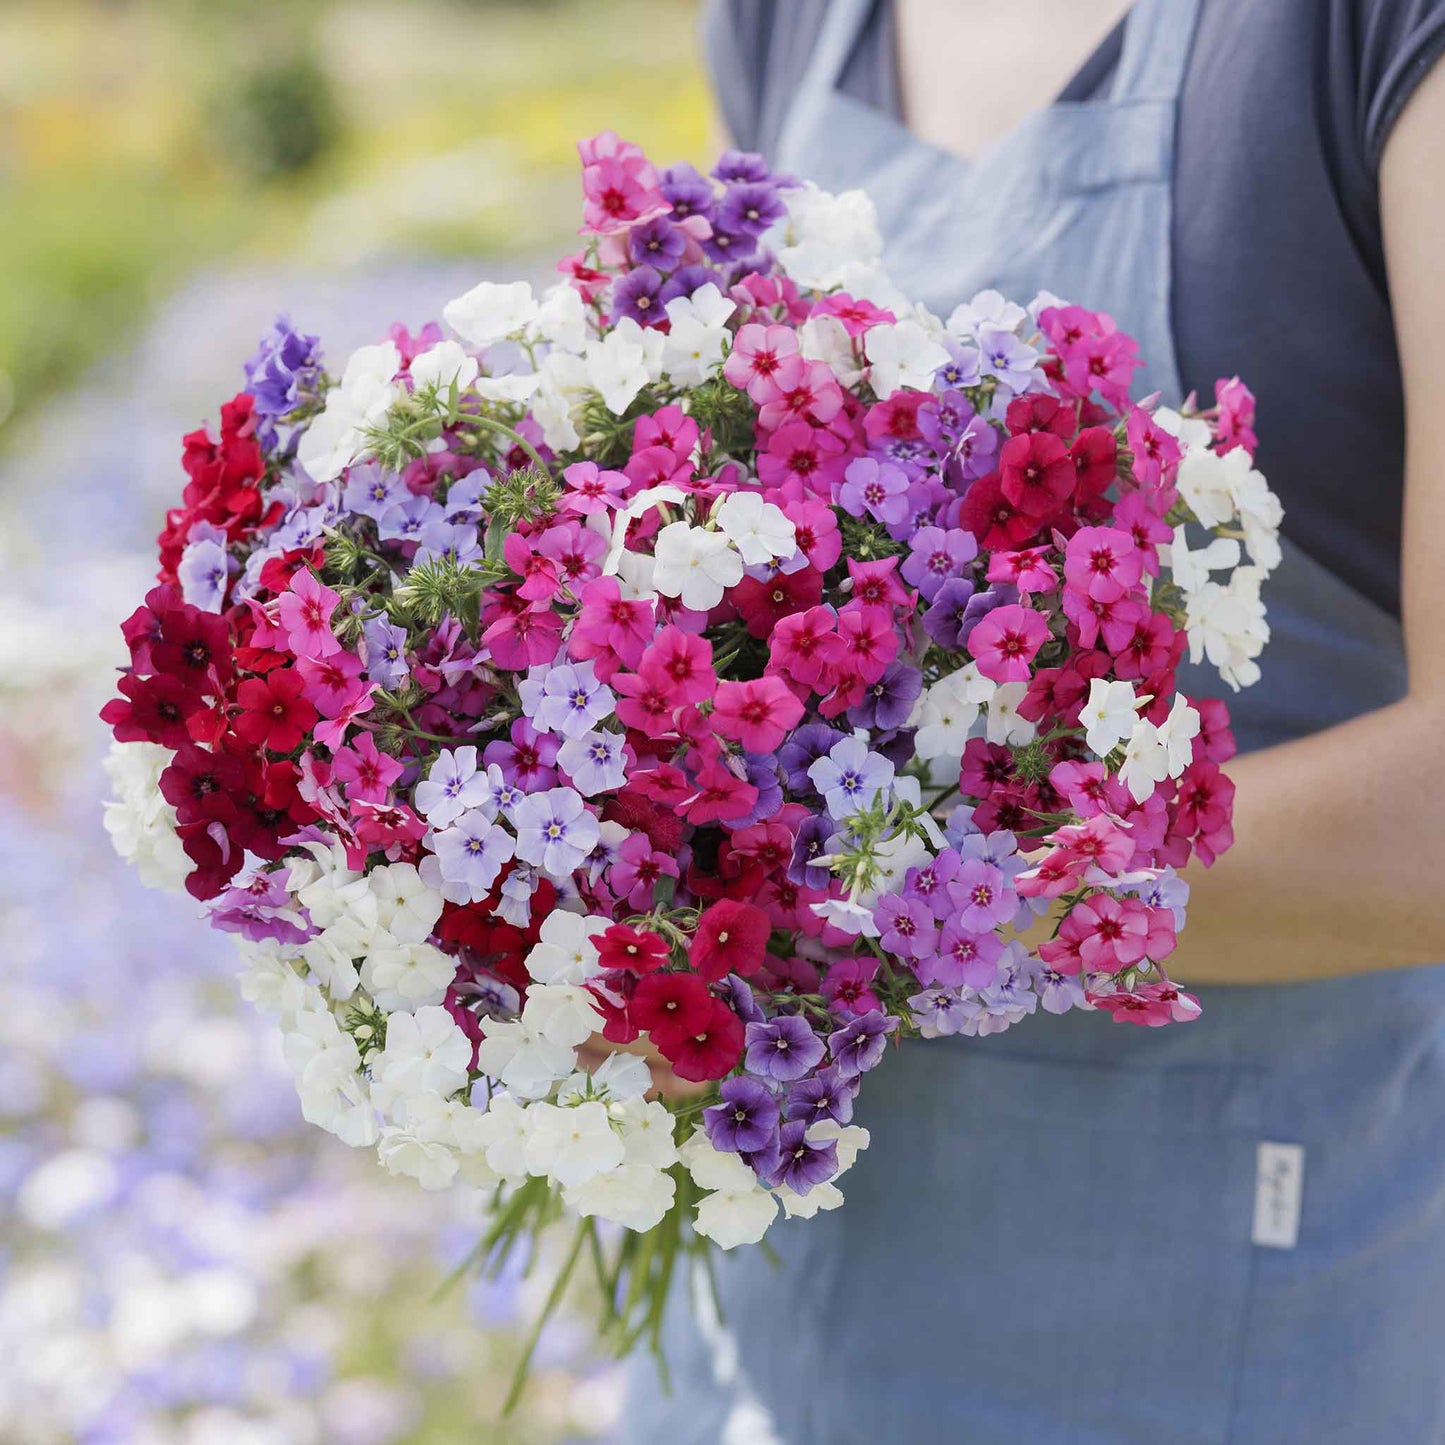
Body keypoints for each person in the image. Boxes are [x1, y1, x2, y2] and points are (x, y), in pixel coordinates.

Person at [625, 1, 1445, 1440]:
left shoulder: (1363, 36)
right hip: (765, 1336)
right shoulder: (785, 22)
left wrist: (848, 909)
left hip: (1216, 1321)